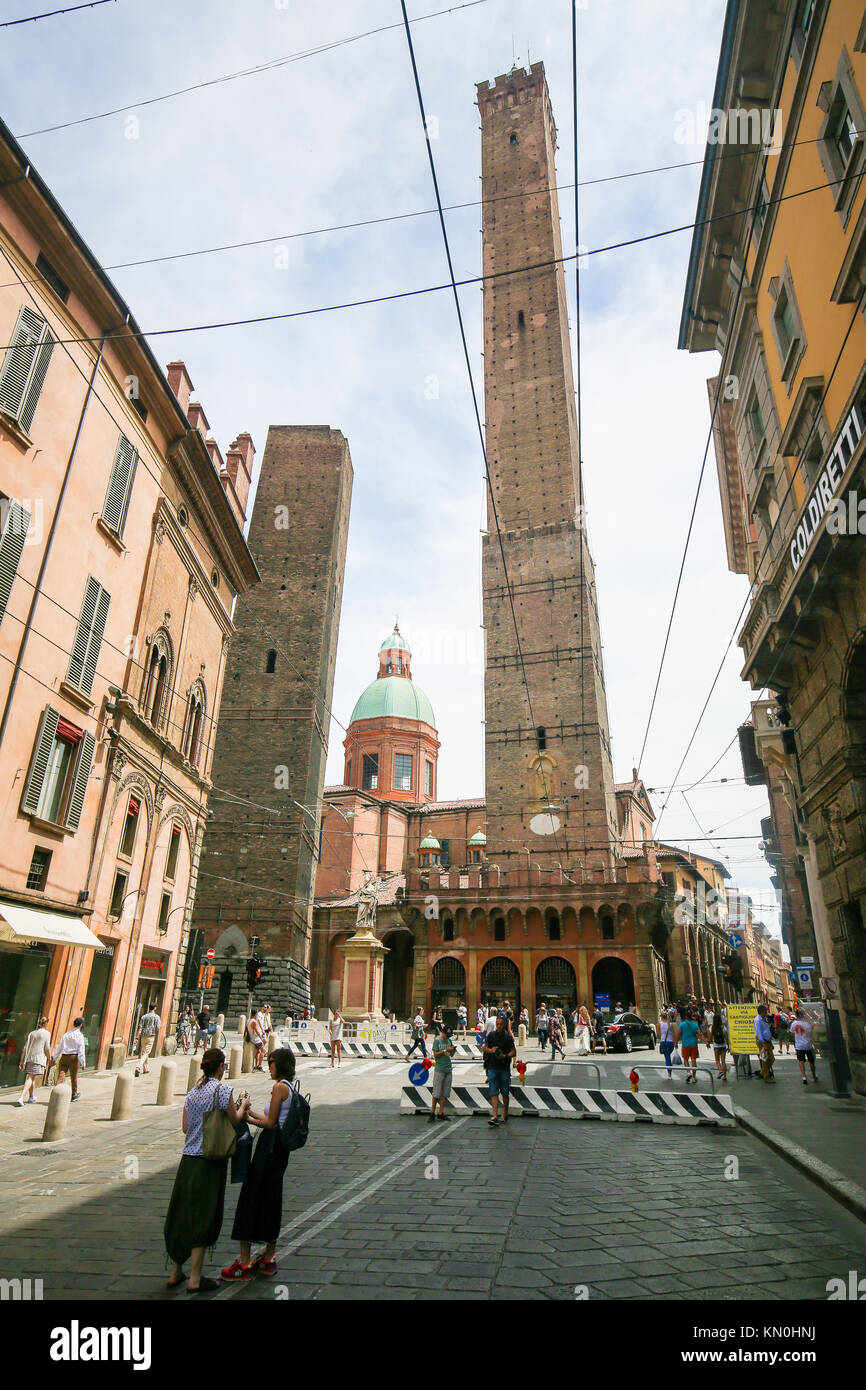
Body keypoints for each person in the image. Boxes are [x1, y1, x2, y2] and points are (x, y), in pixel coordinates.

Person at [164, 1047, 250, 1293]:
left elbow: (184, 1127)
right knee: (203, 1214)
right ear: (222, 1066)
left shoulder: (192, 1093)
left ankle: (174, 1272)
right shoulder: (222, 1091)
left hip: (187, 1161)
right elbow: (234, 1120)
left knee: (182, 1213)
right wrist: (244, 1105)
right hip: (210, 1161)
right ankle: (194, 1278)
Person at [221, 1046, 298, 1281]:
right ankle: (268, 1258)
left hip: (268, 1149)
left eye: (272, 1062)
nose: (268, 1065)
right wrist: (249, 1111)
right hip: (280, 1152)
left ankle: (244, 1264)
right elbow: (273, 1119)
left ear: (281, 1065)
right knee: (272, 1199)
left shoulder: (278, 1087)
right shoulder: (291, 1089)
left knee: (250, 1198)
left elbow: (270, 1123)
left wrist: (246, 1118)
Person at [484, 1013, 517, 1126]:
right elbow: (484, 1047)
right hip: (493, 1067)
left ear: (504, 1025)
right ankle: (494, 1115)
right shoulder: (491, 1035)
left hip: (504, 1068)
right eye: (497, 1024)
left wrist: (505, 1056)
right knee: (493, 1092)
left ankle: (505, 1114)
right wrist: (491, 1050)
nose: (498, 1026)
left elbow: (514, 1052)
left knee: (505, 1092)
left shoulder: (508, 1037)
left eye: (501, 1024)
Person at [16, 1016, 51, 1106]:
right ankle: (21, 1097)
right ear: (46, 1023)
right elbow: (47, 1048)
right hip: (38, 1059)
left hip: (29, 1058)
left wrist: (21, 1060)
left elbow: (25, 1048)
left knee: (32, 1077)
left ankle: (31, 1096)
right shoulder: (46, 1033)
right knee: (30, 1078)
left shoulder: (32, 1033)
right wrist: (49, 1058)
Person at [52, 1017, 86, 1100]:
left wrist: (54, 1058)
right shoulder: (80, 1035)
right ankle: (74, 1094)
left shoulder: (66, 1034)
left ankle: (55, 1092)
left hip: (64, 1056)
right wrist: (83, 1063)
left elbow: (60, 1047)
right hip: (74, 1057)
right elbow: (81, 1049)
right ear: (80, 1025)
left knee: (61, 1075)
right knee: (74, 1076)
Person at [428, 1024, 456, 1122]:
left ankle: (440, 1112)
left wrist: (452, 1051)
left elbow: (451, 1055)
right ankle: (432, 1112)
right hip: (439, 1069)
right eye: (446, 1035)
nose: (447, 1037)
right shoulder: (437, 1041)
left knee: (445, 1092)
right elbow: (435, 1055)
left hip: (448, 1068)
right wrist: (445, 1050)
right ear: (443, 1032)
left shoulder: (449, 1041)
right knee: (436, 1092)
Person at [674, 1009, 703, 1084]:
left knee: (686, 1059)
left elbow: (678, 1034)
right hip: (693, 1044)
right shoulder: (695, 1025)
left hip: (685, 1044)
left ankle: (688, 1072)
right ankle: (693, 1077)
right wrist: (706, 1042)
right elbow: (700, 1034)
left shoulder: (682, 1024)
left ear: (686, 1017)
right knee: (693, 1060)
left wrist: (676, 1043)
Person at [790, 1009, 818, 1085]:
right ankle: (813, 1075)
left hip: (799, 1046)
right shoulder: (807, 1024)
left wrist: (795, 1041)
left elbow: (792, 1034)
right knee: (811, 1061)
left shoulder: (794, 1024)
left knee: (801, 1061)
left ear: (796, 1015)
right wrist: (808, 1017)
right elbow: (812, 1030)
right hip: (808, 1045)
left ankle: (804, 1077)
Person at [135, 1002, 162, 1077]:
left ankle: (145, 1069)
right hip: (150, 1036)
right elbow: (158, 1028)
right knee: (146, 1053)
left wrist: (137, 1037)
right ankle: (138, 1067)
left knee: (144, 1052)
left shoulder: (144, 1017)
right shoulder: (156, 1017)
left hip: (143, 1037)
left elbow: (140, 1028)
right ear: (155, 1008)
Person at [754, 1005, 775, 1083]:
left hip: (767, 1041)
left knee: (771, 1059)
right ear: (762, 1012)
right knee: (765, 1059)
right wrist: (763, 1044)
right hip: (762, 1041)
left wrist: (770, 1043)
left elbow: (766, 1031)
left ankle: (763, 1072)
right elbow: (758, 1033)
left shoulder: (763, 1019)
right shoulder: (758, 1020)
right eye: (766, 1011)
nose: (767, 1013)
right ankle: (766, 1076)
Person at [710, 1010, 728, 1082]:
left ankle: (720, 1071)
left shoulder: (712, 1027)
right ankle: (725, 1076)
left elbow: (711, 1037)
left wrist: (708, 1042)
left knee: (717, 1060)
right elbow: (726, 1037)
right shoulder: (723, 1027)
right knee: (723, 1060)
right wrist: (728, 1046)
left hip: (716, 1045)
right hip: (723, 1045)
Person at [658, 1009, 676, 1079]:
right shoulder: (670, 1024)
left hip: (663, 1042)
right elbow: (673, 1034)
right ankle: (670, 1070)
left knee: (667, 1057)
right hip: (671, 1042)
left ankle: (669, 1074)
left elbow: (658, 1035)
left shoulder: (659, 1024)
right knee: (668, 1056)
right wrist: (675, 1043)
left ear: (661, 1017)